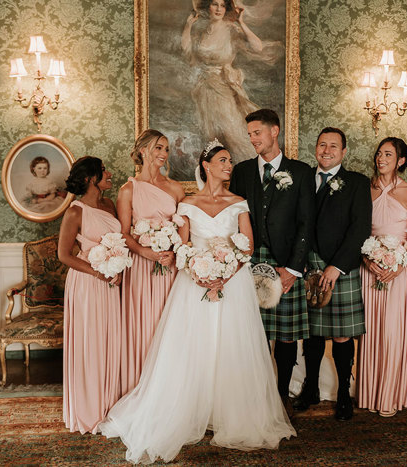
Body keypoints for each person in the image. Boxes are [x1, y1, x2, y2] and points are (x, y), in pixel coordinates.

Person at [99, 141, 295, 465]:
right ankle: (187, 409)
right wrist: (200, 272)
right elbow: (183, 246)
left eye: (230, 160)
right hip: (195, 284)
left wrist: (225, 276)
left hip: (233, 284)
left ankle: (231, 413)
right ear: (206, 165)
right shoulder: (187, 204)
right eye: (222, 160)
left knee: (232, 346)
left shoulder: (239, 203)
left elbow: (247, 248)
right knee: (193, 346)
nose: (229, 165)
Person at [229, 108, 314, 416]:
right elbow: (234, 219)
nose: (252, 139)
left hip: (285, 262)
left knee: (286, 334)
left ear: (274, 131)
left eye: (257, 133)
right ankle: (258, 393)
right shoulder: (241, 172)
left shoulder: (301, 172)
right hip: (250, 261)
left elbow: (307, 222)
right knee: (255, 332)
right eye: (249, 134)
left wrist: (293, 269)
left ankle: (281, 396)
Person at [293, 127, 372, 421]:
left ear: (344, 152)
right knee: (312, 334)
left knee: (341, 336)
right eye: (322, 145)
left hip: (340, 267)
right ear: (315, 148)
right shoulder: (302, 179)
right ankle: (311, 388)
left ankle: (342, 396)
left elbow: (360, 228)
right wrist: (296, 261)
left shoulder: (356, 183)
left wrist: (336, 267)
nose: (326, 150)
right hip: (306, 265)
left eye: (333, 146)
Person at [356, 137, 407, 417]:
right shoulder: (364, 190)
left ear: (401, 161)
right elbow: (357, 232)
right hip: (369, 268)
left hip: (399, 271)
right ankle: (368, 393)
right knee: (370, 332)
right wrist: (367, 259)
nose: (381, 158)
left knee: (393, 332)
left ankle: (390, 396)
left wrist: (399, 264)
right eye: (379, 153)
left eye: (388, 154)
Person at [117, 130, 186, 395]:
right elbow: (124, 233)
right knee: (143, 327)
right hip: (141, 269)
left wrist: (175, 251)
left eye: (166, 149)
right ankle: (142, 390)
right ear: (143, 150)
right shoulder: (127, 190)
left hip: (168, 268)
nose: (163, 154)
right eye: (158, 148)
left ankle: (169, 391)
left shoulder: (175, 188)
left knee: (168, 326)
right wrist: (145, 253)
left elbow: (185, 227)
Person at [57, 156, 123, 434]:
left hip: (111, 283)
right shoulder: (75, 212)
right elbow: (64, 255)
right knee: (89, 342)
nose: (109, 174)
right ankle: (87, 409)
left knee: (109, 341)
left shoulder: (110, 205)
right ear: (89, 179)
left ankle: (109, 404)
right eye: (103, 171)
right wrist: (98, 272)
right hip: (86, 283)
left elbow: (118, 240)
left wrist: (117, 263)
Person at [181, 0, 282, 163]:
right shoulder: (202, 31)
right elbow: (186, 51)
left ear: (227, 8)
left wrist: (241, 22)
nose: (219, 9)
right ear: (208, 7)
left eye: (222, 5)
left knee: (232, 133)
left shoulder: (231, 29)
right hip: (205, 88)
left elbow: (258, 47)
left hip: (223, 86)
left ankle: (249, 169)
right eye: (215, 4)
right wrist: (188, 25)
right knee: (212, 135)